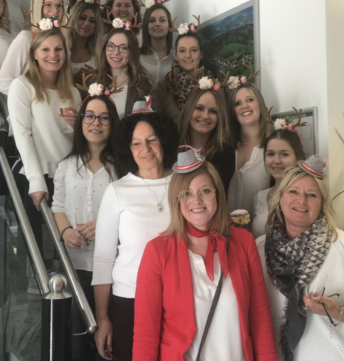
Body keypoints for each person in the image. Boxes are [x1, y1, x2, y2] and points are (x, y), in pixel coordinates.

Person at [133, 152, 279, 361]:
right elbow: (145, 333)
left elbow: (260, 319)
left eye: (205, 191)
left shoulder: (244, 242)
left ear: (217, 194)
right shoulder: (157, 251)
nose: (196, 200)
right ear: (176, 200)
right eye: (186, 193)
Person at [257, 157, 344, 361]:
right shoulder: (259, 249)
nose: (302, 200)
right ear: (280, 198)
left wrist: (337, 311)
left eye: (311, 195)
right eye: (293, 192)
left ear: (322, 204)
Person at [92, 110, 178, 361]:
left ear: (164, 140)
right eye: (136, 143)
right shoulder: (117, 191)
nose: (146, 149)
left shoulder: (185, 184)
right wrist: (102, 319)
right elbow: (103, 259)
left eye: (152, 139)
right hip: (130, 301)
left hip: (179, 298)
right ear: (127, 149)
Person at [52, 91, 119, 361]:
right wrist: (65, 232)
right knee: (76, 341)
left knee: (109, 340)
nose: (96, 123)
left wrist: (105, 226)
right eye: (89, 116)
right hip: (74, 263)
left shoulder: (122, 167)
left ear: (113, 123)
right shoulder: (66, 166)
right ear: (80, 121)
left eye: (104, 118)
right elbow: (57, 206)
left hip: (112, 266)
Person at [8, 28, 81, 252]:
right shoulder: (22, 86)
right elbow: (22, 135)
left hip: (69, 176)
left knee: (70, 241)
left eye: (58, 49)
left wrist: (77, 126)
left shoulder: (73, 92)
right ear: (35, 54)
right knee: (38, 245)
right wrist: (36, 181)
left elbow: (76, 140)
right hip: (39, 173)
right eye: (45, 49)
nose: (53, 55)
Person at [0, 0, 65, 95]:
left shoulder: (62, 42)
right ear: (38, 6)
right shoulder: (26, 38)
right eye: (48, 5)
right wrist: (33, 96)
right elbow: (3, 82)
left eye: (59, 5)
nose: (55, 11)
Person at [178, 84, 234, 196]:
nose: (205, 116)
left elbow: (214, 195)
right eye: (199, 108)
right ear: (189, 109)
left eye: (213, 111)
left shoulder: (225, 153)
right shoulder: (171, 146)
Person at [226, 82, 271, 218]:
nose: (244, 106)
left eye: (250, 100)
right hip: (222, 230)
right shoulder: (224, 148)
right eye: (237, 103)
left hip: (258, 230)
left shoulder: (272, 148)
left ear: (260, 104)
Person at [251, 128, 305, 238]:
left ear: (298, 157)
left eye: (284, 154)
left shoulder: (306, 196)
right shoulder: (259, 197)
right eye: (271, 154)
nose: (276, 161)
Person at [89, 25, 152, 118]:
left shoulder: (144, 87)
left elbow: (150, 122)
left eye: (123, 48)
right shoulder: (92, 81)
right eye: (111, 46)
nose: (116, 53)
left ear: (132, 52)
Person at [152, 28, 211, 123]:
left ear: (201, 54)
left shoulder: (214, 85)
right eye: (182, 50)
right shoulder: (164, 86)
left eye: (194, 50)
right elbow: (157, 123)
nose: (188, 55)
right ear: (176, 55)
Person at [66, 1, 102, 84]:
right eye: (82, 18)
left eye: (92, 21)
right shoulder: (62, 49)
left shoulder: (100, 54)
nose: (87, 23)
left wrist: (95, 77)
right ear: (73, 19)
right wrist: (72, 81)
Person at [139, 2, 175, 86]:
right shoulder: (136, 57)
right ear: (146, 25)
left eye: (162, 20)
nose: (157, 24)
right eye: (152, 20)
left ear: (169, 24)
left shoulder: (177, 57)